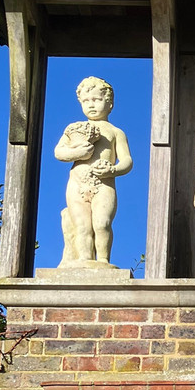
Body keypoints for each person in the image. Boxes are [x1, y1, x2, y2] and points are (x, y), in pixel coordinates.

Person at [54, 76, 133, 267]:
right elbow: (58, 152)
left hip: (104, 184)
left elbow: (127, 161)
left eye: (97, 100)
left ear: (109, 103)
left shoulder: (116, 132)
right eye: (86, 101)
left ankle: (103, 260)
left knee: (102, 223)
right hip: (77, 182)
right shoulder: (74, 129)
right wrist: (77, 152)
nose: (91, 105)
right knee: (82, 226)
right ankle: (84, 260)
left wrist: (112, 170)